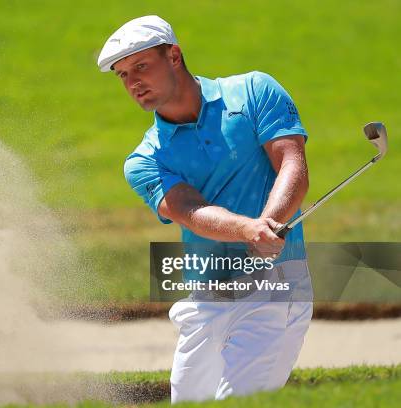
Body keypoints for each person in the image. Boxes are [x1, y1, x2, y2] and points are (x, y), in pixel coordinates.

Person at [97, 15, 313, 402]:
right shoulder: (144, 159)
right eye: (123, 75)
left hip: (276, 285)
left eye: (141, 67)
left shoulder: (253, 92)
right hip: (206, 299)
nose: (133, 83)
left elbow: (292, 164)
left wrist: (272, 222)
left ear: (175, 55)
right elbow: (189, 210)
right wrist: (250, 229)